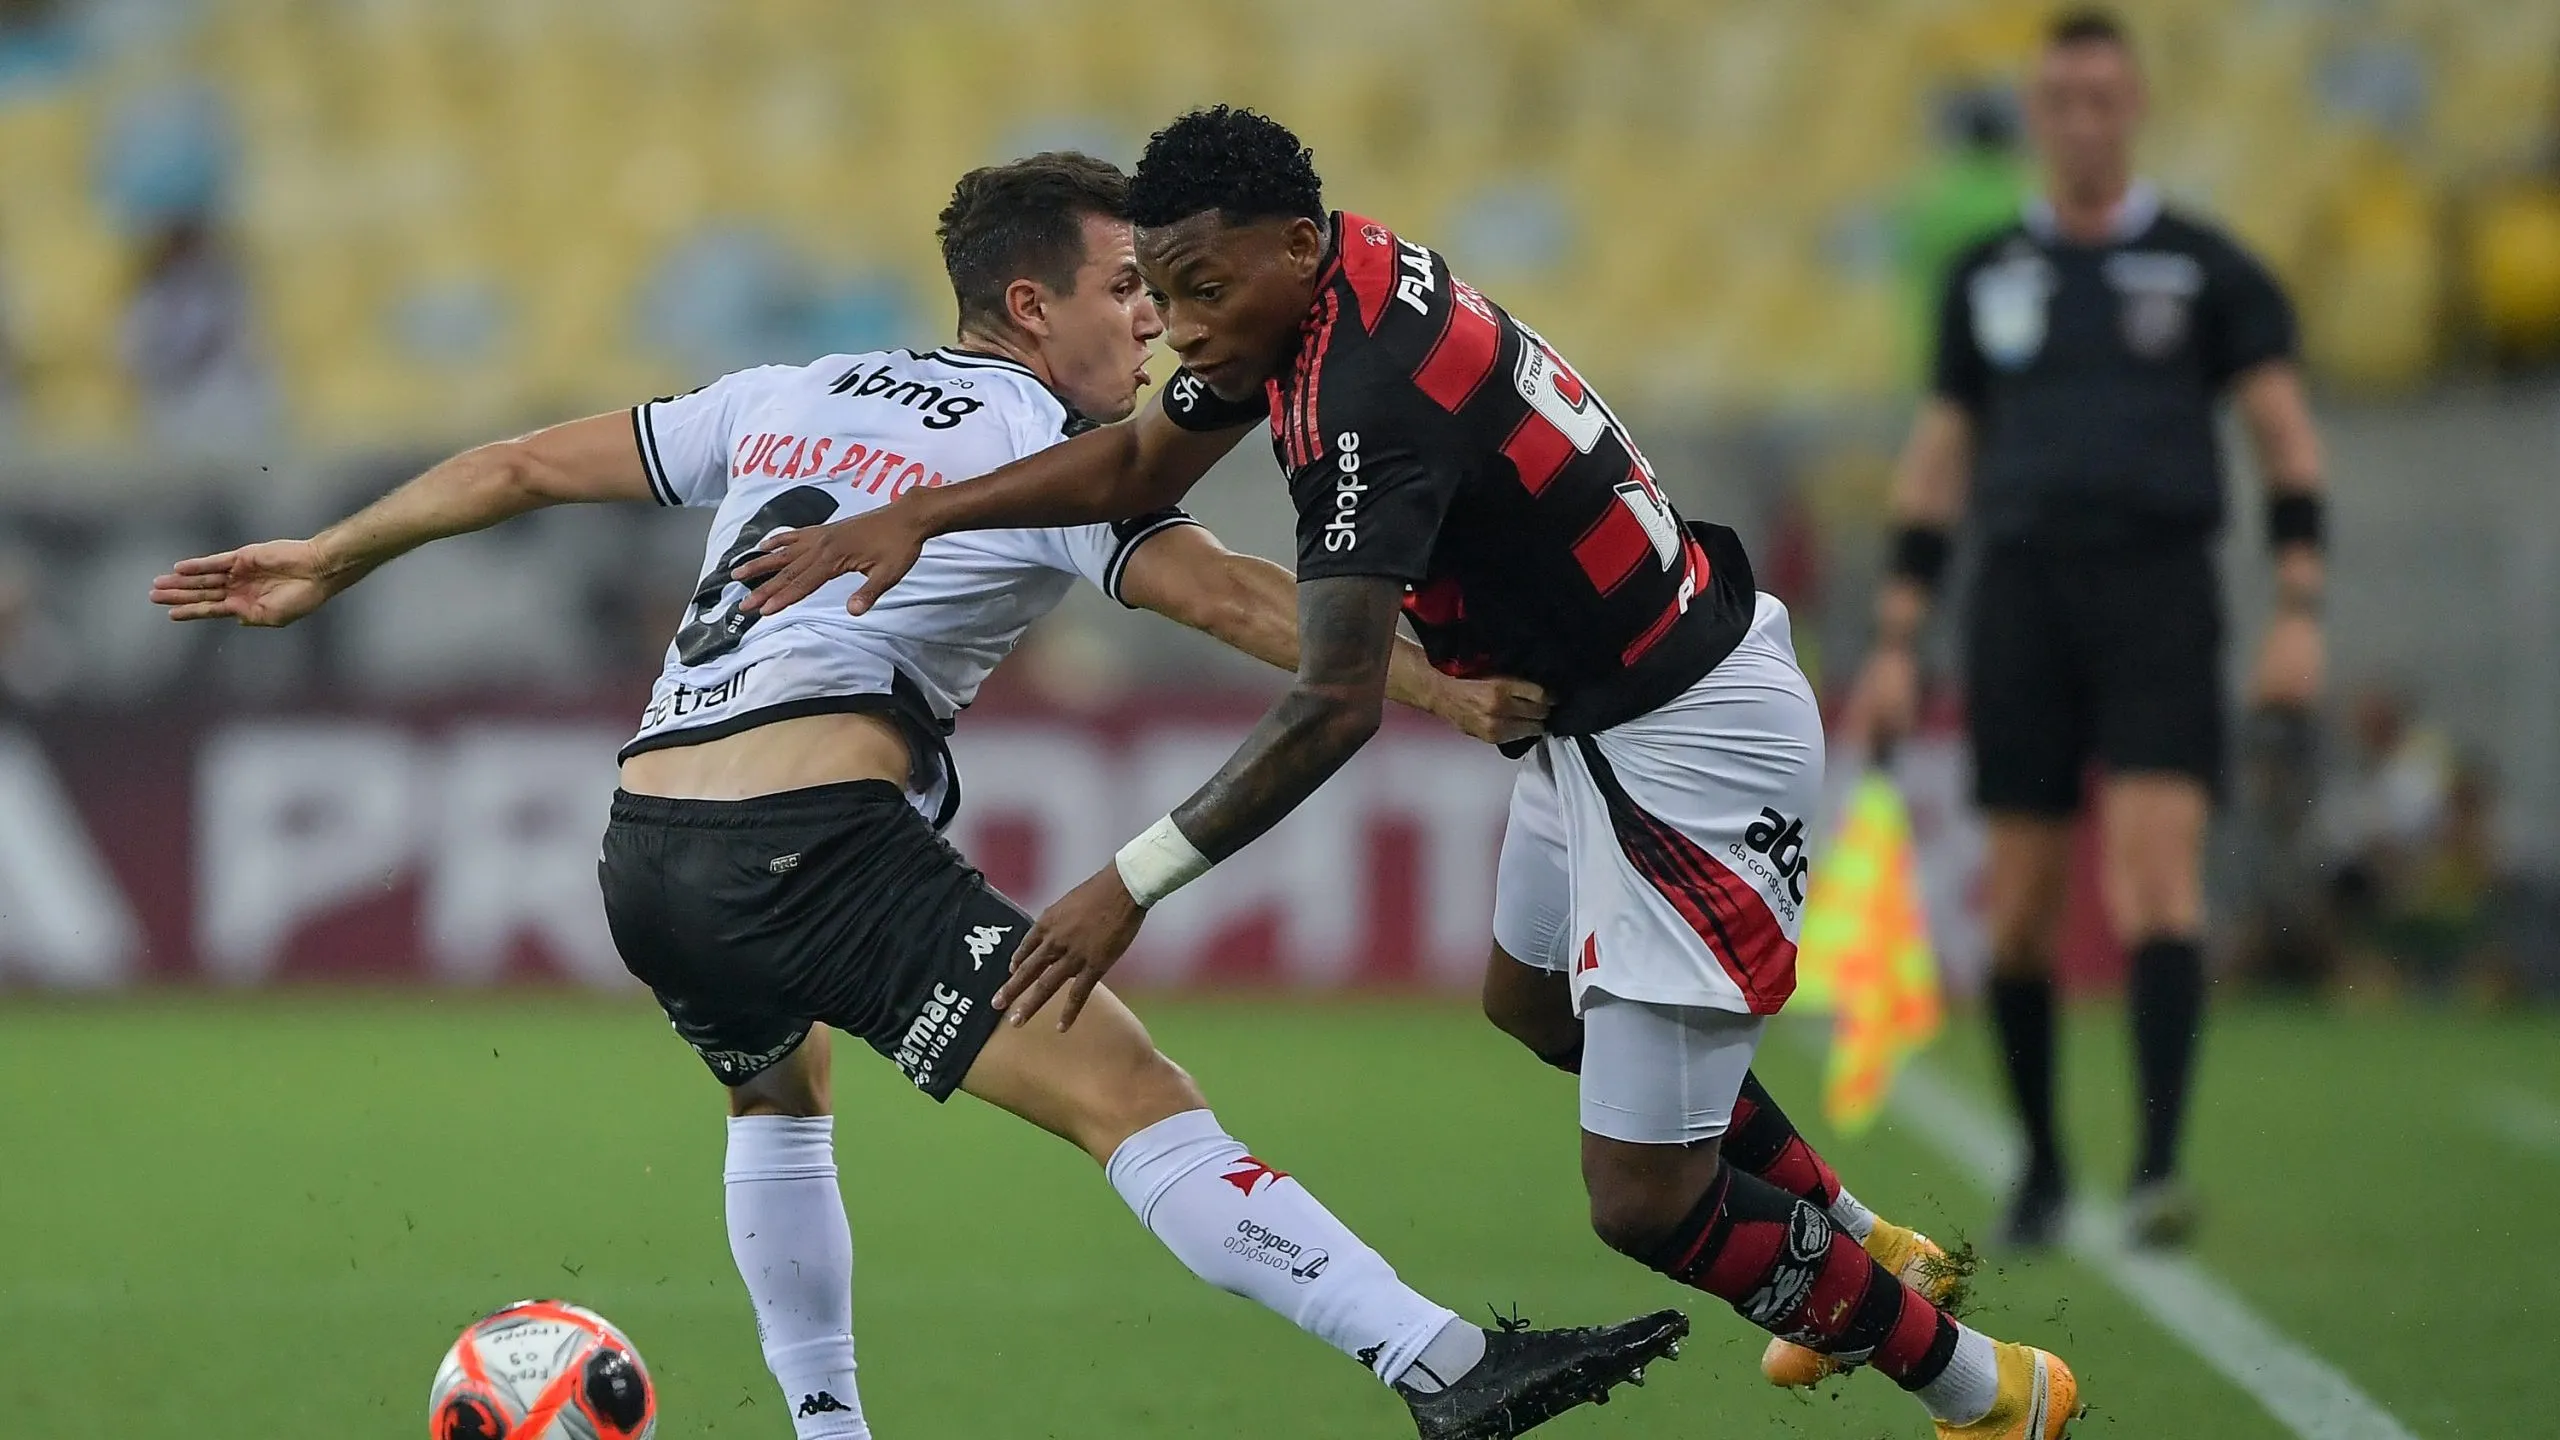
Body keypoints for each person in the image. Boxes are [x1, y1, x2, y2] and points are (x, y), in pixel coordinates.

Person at [150, 153, 1683, 1440]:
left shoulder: (789, 388)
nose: (1150, 323)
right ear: (1032, 307)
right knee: (1135, 1103)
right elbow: (1223, 595)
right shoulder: (1040, 442)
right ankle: (1444, 1367)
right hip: (806, 842)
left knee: (779, 1090)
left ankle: (830, 1430)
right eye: (1120, 292)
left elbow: (515, 465)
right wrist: (1445, 687)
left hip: (646, 849)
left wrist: (328, 554)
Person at [740, 109, 2078, 1440]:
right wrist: (920, 510)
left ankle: (1985, 1393)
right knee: (1533, 1003)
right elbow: (1145, 458)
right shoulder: (1317, 292)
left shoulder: (1368, 396)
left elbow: (1332, 706)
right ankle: (1860, 1242)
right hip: (1600, 713)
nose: (1185, 331)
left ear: (1294, 246)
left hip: (1684, 751)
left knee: (1642, 1203)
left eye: (1203, 293)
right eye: (1163, 294)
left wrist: (1126, 884)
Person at [1842, 9, 2329, 1248]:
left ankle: (2157, 1165)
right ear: (2036, 113)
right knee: (2019, 904)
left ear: (2136, 107)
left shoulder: (2208, 268)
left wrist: (2299, 608)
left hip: (2161, 592)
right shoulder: (1990, 274)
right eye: (2059, 101)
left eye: (2102, 99)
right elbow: (1939, 458)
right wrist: (1898, 638)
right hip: (2021, 598)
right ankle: (2046, 1168)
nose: (2081, 121)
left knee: (2156, 873)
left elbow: (2283, 437)